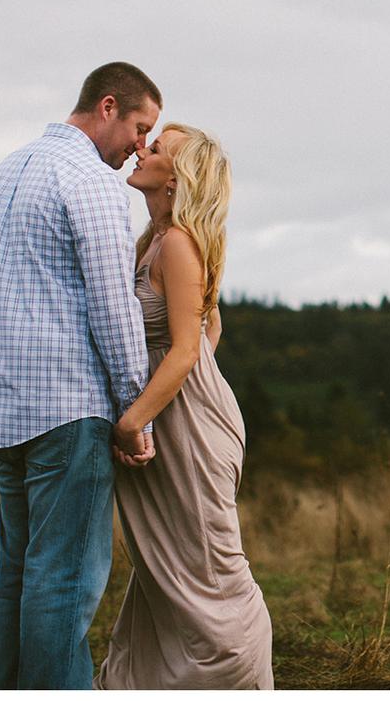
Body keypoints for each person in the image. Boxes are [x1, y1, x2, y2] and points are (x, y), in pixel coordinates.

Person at [0, 62, 162, 689]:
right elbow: (113, 307)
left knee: (19, 578)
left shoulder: (6, 172)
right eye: (140, 127)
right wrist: (136, 410)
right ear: (107, 106)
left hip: (4, 410)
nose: (141, 145)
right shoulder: (91, 182)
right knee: (64, 581)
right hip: (69, 409)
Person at [95, 122, 274, 690]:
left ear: (177, 176)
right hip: (170, 415)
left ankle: (241, 679)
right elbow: (208, 322)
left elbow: (188, 346)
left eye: (158, 147)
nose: (142, 149)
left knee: (210, 569)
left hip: (186, 428)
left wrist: (134, 418)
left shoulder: (178, 243)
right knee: (163, 571)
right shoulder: (155, 237)